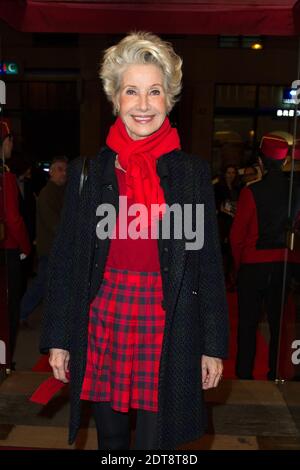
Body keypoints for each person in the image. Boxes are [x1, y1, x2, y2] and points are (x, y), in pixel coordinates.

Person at [40, 32, 228, 450]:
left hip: (170, 320)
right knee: (109, 435)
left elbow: (208, 265)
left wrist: (212, 345)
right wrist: (58, 337)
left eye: (154, 92)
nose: (143, 105)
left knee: (156, 440)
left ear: (169, 99)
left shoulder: (192, 175)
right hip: (104, 315)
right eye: (131, 91)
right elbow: (67, 261)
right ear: (114, 98)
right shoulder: (88, 173)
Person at [230, 133, 290, 381]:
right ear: (284, 162)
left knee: (248, 325)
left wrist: (238, 267)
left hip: (253, 266)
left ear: (261, 162)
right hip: (283, 266)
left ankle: (244, 374)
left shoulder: (250, 192)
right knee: (279, 326)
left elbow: (236, 236)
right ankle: (277, 373)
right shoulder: (295, 192)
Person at [19, 157, 67, 327]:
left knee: (51, 284)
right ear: (52, 172)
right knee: (42, 284)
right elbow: (54, 223)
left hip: (56, 247)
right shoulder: (48, 193)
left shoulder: (62, 192)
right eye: (60, 169)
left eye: (65, 169)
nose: (64, 173)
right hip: (50, 248)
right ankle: (21, 313)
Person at [0, 119, 31, 367]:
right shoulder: (6, 178)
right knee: (7, 312)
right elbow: (13, 218)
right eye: (10, 141)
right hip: (7, 250)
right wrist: (26, 247)